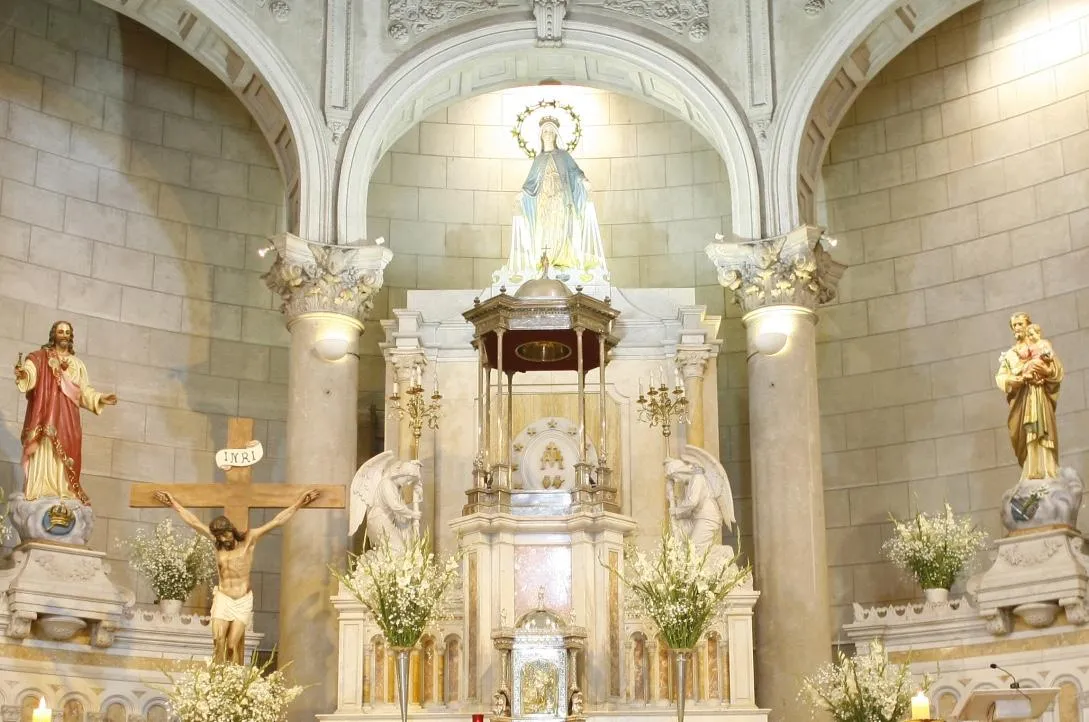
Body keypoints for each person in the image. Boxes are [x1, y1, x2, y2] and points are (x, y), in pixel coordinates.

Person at [153, 488, 320, 664]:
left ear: (231, 530)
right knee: (218, 641)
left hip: (242, 600)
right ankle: (216, 681)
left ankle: (233, 683)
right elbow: (194, 522)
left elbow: (277, 521)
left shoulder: (249, 539)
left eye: (226, 534)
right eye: (219, 536)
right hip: (223, 598)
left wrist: (300, 503)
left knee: (232, 645)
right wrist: (173, 504)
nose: (224, 539)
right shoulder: (217, 543)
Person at [14, 321, 116, 504]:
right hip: (46, 413)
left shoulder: (77, 364)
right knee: (45, 446)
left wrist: (100, 398)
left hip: (68, 417)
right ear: (54, 335)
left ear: (71, 337)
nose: (64, 334)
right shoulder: (42, 357)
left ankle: (62, 488)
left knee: (68, 450)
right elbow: (31, 371)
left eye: (67, 332)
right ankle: (41, 488)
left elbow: (85, 391)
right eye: (60, 331)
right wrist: (24, 373)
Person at [506, 116, 607, 279]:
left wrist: (583, 180)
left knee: (561, 230)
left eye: (551, 132)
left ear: (556, 135)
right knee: (545, 232)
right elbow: (531, 183)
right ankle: (545, 262)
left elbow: (574, 172)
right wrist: (522, 194)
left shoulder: (564, 156)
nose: (547, 134)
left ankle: (563, 262)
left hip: (561, 201)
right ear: (540, 135)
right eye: (545, 131)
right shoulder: (538, 160)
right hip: (544, 204)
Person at [995, 312, 1064, 481]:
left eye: (1020, 324)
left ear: (1028, 325)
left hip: (1040, 395)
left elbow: (1056, 369)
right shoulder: (1010, 354)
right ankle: (1031, 470)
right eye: (1014, 325)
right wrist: (1017, 379)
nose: (1017, 328)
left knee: (1044, 430)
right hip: (1023, 400)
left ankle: (1048, 469)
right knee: (1027, 432)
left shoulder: (1041, 345)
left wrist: (1046, 371)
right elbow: (1001, 377)